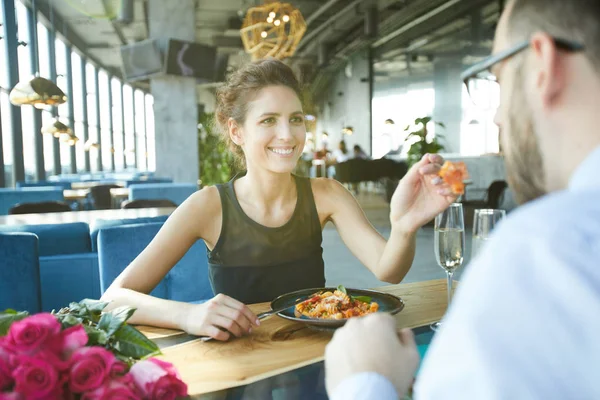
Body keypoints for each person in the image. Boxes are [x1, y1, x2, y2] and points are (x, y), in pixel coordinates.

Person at [325, 0, 600, 398]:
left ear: (543, 65)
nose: (497, 118)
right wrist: (403, 225)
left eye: (498, 81)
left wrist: (364, 381)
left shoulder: (545, 247)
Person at [101, 59, 456, 342]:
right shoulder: (206, 206)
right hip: (244, 365)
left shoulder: (326, 194)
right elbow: (112, 299)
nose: (287, 135)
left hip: (314, 356)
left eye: (296, 119)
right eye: (269, 120)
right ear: (237, 131)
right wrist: (188, 314)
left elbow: (389, 271)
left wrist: (404, 226)